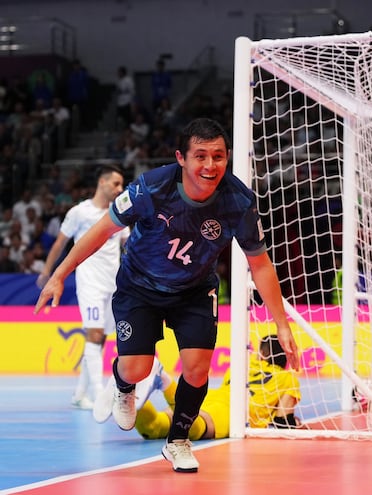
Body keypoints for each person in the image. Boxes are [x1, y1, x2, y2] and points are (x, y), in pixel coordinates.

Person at [34, 118, 299, 473]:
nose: (210, 165)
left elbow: (261, 265)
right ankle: (125, 385)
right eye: (200, 156)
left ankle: (178, 441)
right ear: (181, 158)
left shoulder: (238, 201)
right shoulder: (151, 188)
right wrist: (59, 274)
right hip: (139, 285)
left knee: (197, 367)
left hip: (194, 290)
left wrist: (281, 324)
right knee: (135, 366)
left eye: (218, 156)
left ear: (228, 157)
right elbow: (101, 231)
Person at [36, 164, 128, 410]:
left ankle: (79, 394)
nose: (120, 189)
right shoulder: (79, 212)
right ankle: (99, 396)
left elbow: (128, 244)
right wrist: (48, 272)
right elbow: (60, 243)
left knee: (102, 339)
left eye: (121, 185)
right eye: (116, 184)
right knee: (94, 334)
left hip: (113, 282)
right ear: (102, 182)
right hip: (90, 281)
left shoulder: (117, 213)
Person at [134, 334, 301, 440]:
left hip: (209, 397)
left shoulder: (242, 365)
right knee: (190, 429)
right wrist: (297, 424)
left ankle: (129, 390)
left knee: (153, 428)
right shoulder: (287, 377)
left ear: (263, 354)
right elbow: (283, 421)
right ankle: (164, 381)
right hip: (232, 412)